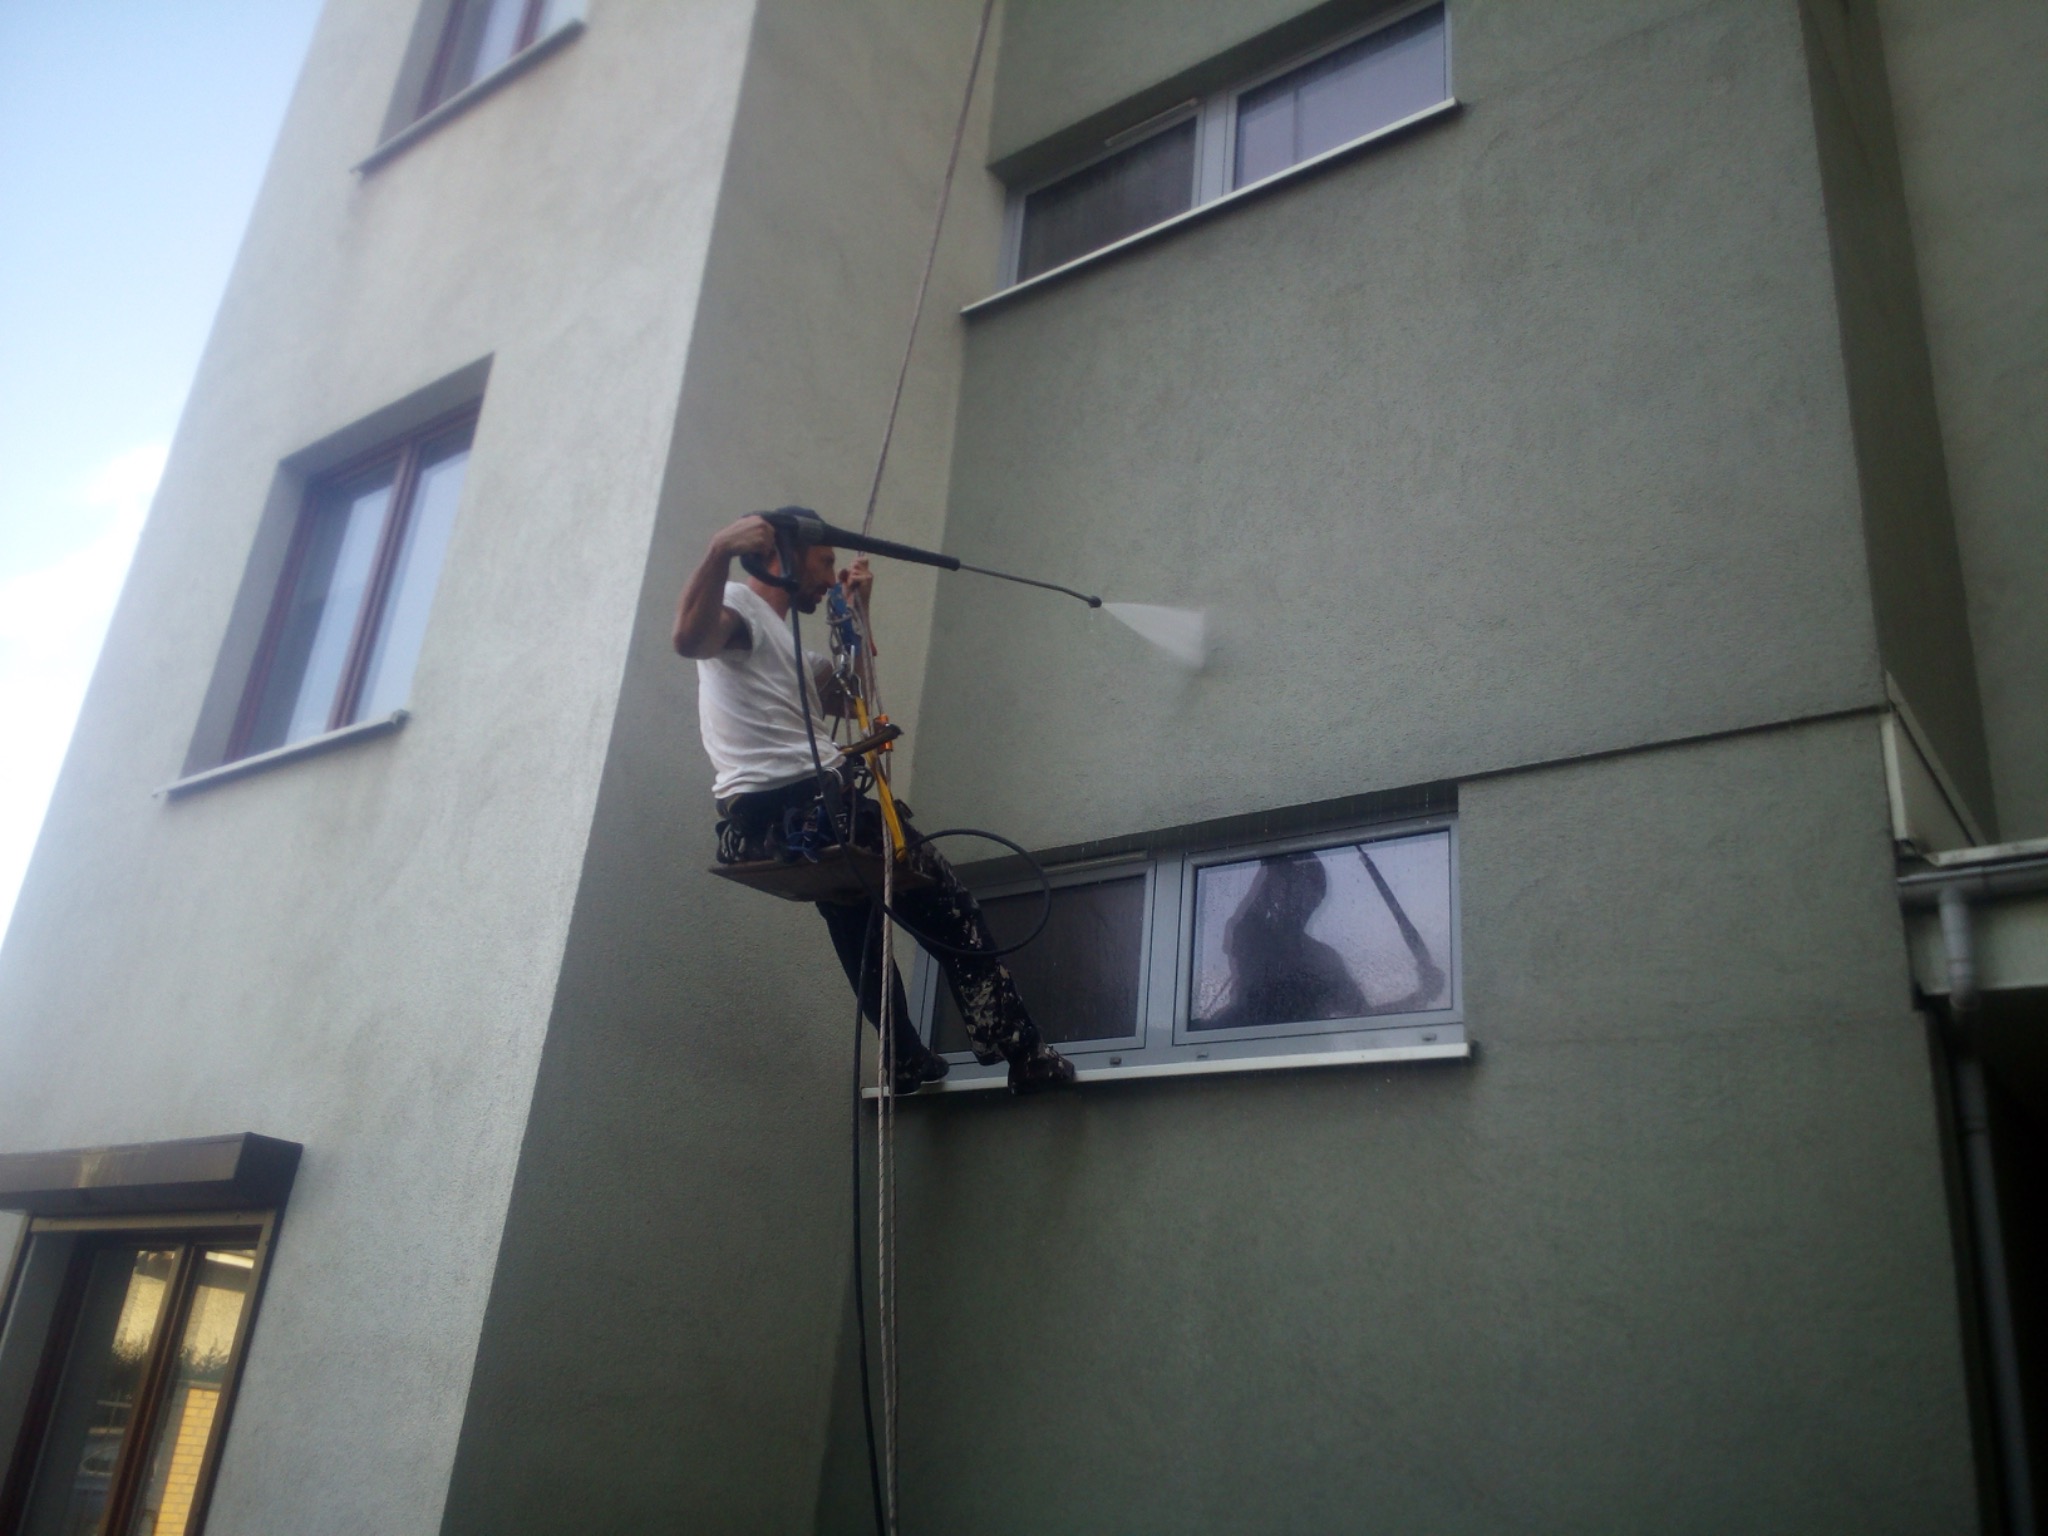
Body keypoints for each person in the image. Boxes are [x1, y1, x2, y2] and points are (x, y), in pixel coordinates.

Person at [673, 512, 1076, 1095]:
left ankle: (905, 1058)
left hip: (782, 825)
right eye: (824, 562)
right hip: (807, 808)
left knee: (855, 925)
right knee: (949, 908)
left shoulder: (783, 644)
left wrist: (857, 612)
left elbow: (853, 696)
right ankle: (1024, 1052)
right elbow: (688, 637)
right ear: (782, 556)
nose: (829, 575)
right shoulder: (738, 605)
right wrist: (717, 550)